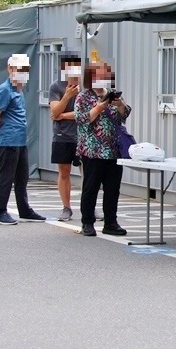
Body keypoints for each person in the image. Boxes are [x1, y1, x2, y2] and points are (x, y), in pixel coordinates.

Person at [74, 62, 131, 237]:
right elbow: (81, 119)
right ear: (91, 78)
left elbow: (124, 115)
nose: (103, 79)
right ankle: (87, 222)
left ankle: (111, 222)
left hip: (113, 150)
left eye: (106, 75)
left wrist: (120, 105)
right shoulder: (84, 97)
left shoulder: (111, 95)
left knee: (113, 188)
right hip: (92, 149)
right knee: (91, 187)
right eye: (99, 75)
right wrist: (98, 108)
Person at [0, 54, 47, 225]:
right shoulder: (5, 89)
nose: (22, 73)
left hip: (20, 140)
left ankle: (24, 209)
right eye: (18, 69)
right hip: (8, 140)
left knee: (22, 177)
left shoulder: (18, 89)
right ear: (10, 69)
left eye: (25, 70)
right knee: (6, 176)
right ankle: (0, 212)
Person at [49, 53, 82, 221]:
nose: (73, 71)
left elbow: (86, 113)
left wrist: (63, 115)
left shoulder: (85, 86)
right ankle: (66, 207)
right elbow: (54, 112)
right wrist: (67, 96)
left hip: (84, 136)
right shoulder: (56, 87)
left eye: (76, 67)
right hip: (62, 136)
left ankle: (88, 206)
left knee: (89, 172)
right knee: (64, 171)